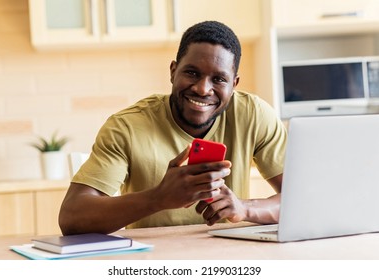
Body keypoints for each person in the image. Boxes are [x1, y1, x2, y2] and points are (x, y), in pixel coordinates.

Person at [59, 21, 287, 235]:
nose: (202, 89)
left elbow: (304, 199)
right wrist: (159, 198)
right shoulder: (126, 126)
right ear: (172, 71)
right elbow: (72, 217)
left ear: (234, 84)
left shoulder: (254, 115)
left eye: (218, 79)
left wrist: (245, 208)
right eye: (192, 73)